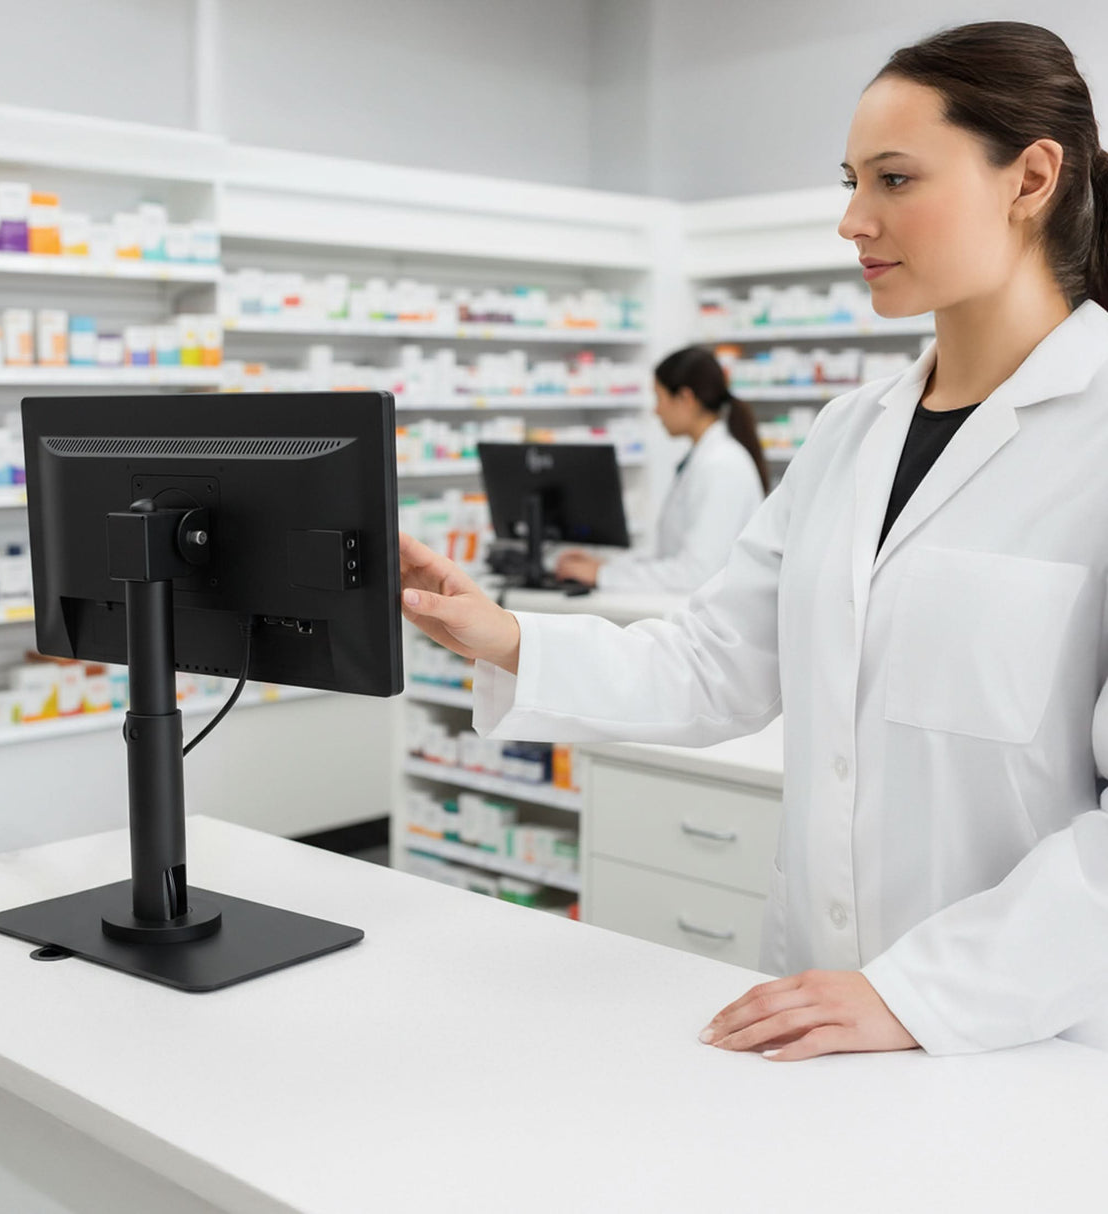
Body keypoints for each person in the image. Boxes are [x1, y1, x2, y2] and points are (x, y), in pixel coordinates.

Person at [399, 20, 1108, 1061]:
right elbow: (715, 663)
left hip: (1023, 1042)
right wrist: (506, 636)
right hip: (813, 1006)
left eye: (895, 179)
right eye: (851, 182)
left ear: (1031, 178)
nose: (852, 220)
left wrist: (920, 993)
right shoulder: (846, 434)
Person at [555, 346, 767, 592]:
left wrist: (603, 575)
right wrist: (607, 566)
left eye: (659, 398)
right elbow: (668, 555)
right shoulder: (704, 459)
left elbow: (696, 575)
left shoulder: (722, 465)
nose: (656, 411)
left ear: (685, 398)